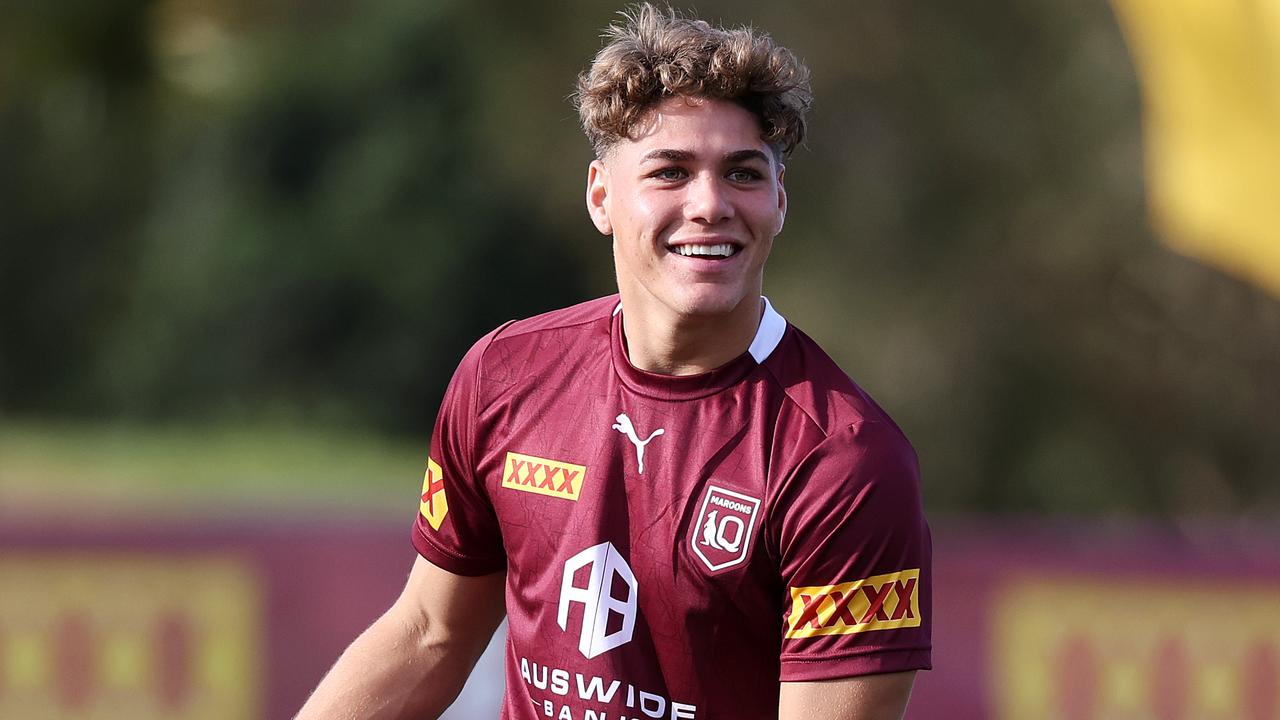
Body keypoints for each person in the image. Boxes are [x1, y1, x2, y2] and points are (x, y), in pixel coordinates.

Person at [297, 4, 931, 719]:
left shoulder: (844, 463)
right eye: (670, 171)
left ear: (779, 200)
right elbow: (427, 635)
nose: (710, 204)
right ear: (601, 197)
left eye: (744, 174)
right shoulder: (503, 375)